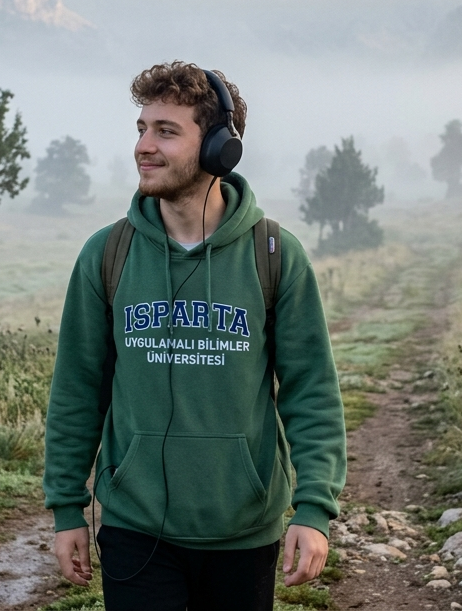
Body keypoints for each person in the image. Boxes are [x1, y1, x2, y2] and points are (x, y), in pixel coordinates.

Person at [42, 62, 346, 610]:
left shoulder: (274, 255)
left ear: (218, 149)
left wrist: (314, 509)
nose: (144, 146)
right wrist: (67, 508)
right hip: (135, 526)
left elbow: (312, 392)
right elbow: (77, 391)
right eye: (142, 128)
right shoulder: (107, 255)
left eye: (166, 131)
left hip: (243, 530)